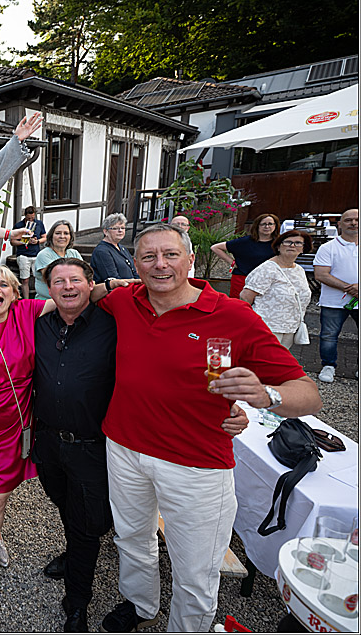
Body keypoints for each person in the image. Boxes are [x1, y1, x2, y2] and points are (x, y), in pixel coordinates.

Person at [97, 223, 321, 633]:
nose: (160, 265)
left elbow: (308, 394)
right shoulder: (127, 300)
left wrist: (265, 395)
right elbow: (94, 294)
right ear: (136, 266)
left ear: (190, 259)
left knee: (195, 569)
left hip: (196, 463)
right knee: (131, 538)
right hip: (124, 448)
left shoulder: (233, 315)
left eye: (170, 255)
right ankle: (141, 604)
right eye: (148, 257)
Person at [0, 266, 112, 617]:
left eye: (4, 285)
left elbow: (74, 295)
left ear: (15, 294)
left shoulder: (27, 313)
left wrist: (115, 284)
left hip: (16, 425)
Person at [32, 258, 117, 632]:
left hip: (90, 447)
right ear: (49, 289)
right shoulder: (39, 325)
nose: (67, 287)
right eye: (59, 281)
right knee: (65, 504)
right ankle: (74, 551)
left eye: (75, 280)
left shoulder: (112, 326)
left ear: (90, 284)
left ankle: (77, 602)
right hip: (49, 443)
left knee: (86, 525)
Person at [241, 230, 313, 348]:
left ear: (303, 248)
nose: (292, 246)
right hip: (266, 327)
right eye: (288, 242)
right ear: (279, 246)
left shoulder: (299, 270)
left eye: (298, 243)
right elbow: (245, 297)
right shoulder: (267, 269)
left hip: (290, 328)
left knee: (281, 358)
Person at [313, 208, 359, 383]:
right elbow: (321, 274)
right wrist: (350, 289)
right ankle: (328, 366)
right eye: (348, 220)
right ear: (339, 224)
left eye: (357, 220)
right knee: (329, 335)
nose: (353, 223)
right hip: (333, 302)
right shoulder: (328, 247)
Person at [210, 213, 278, 300]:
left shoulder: (279, 243)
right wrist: (232, 262)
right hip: (242, 279)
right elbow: (215, 247)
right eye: (263, 224)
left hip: (267, 280)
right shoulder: (244, 242)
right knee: (238, 305)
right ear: (257, 226)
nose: (267, 226)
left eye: (270, 224)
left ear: (275, 226)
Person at [32, 219, 82, 300]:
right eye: (58, 233)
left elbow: (84, 275)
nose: (62, 236)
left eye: (66, 233)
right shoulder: (44, 255)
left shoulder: (74, 253)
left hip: (70, 300)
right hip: (47, 302)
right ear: (51, 236)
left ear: (70, 237)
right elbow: (55, 279)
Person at [9, 205, 47, 299]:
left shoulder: (39, 224)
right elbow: (12, 242)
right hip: (23, 254)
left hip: (36, 254)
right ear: (25, 215)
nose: (31, 220)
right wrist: (24, 242)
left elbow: (44, 237)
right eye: (29, 218)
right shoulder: (18, 226)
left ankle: (38, 298)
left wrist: (37, 241)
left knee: (39, 278)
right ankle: (26, 300)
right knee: (25, 279)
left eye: (32, 218)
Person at [90, 213, 137, 284]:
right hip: (116, 289)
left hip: (130, 287)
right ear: (105, 231)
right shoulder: (102, 251)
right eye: (115, 228)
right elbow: (112, 278)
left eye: (122, 228)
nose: (120, 230)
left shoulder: (123, 248)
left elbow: (134, 271)